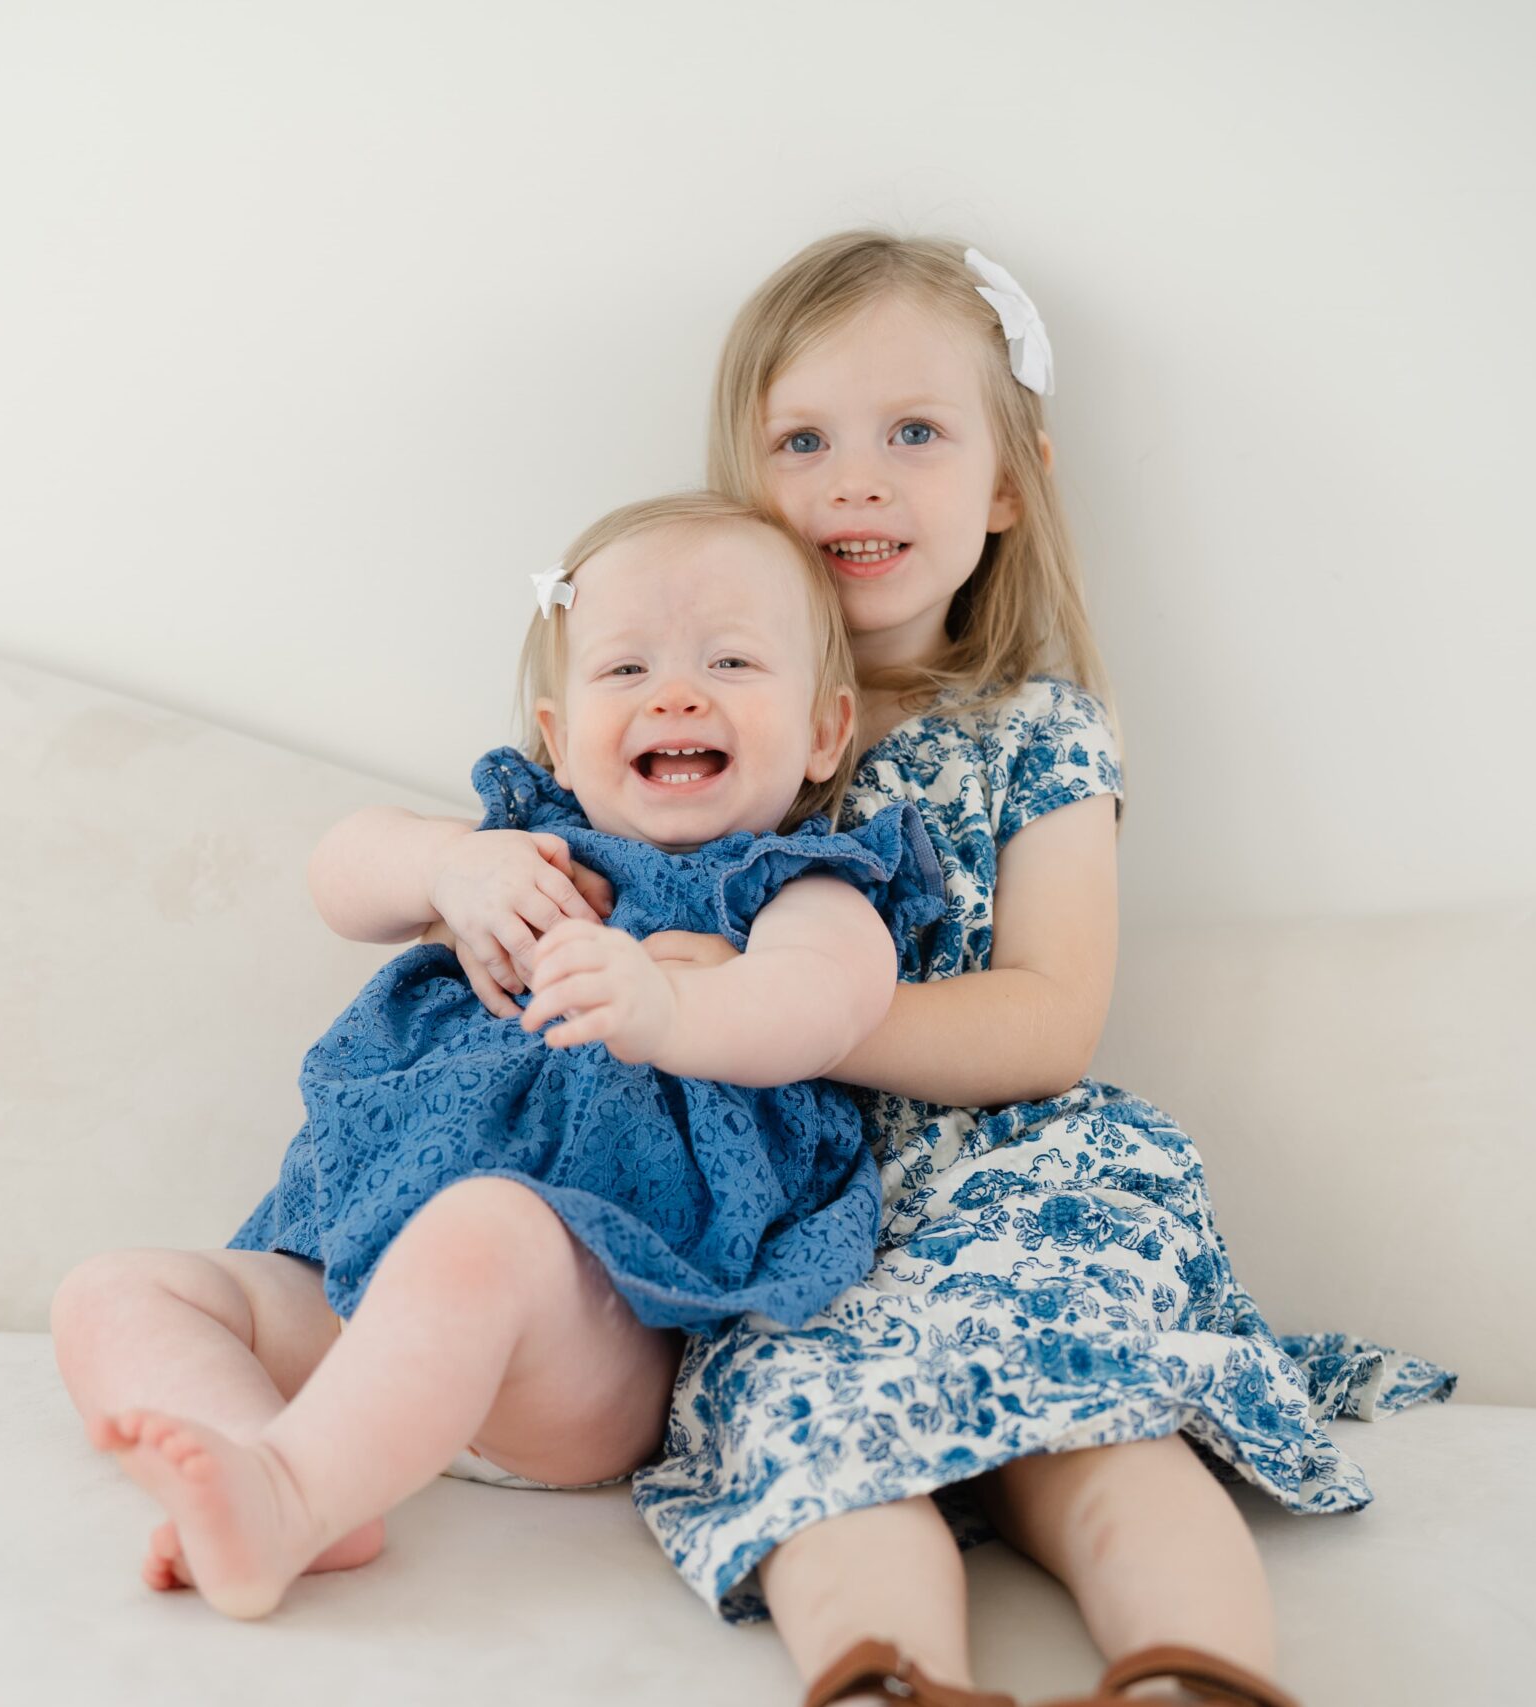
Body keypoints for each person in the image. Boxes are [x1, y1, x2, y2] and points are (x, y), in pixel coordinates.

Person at [439, 234, 1454, 1707]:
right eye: (806, 439)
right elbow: (500, 865)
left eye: (915, 432)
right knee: (808, 1439)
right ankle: (885, 1679)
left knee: (1100, 1433)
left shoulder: (1035, 732)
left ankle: (1200, 1673)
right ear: (746, 477)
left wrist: (768, 1015)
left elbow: (1049, 1016)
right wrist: (457, 872)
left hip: (1014, 1170)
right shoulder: (697, 725)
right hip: (788, 1214)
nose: (858, 478)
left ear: (1004, 481)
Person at [48, 491, 945, 1622]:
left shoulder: (799, 884)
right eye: (625, 670)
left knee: (485, 1227)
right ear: (559, 735)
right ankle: (276, 1461)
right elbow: (338, 871)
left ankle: (288, 1496)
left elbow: (825, 1003)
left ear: (823, 731)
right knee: (115, 1290)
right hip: (355, 1300)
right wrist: (442, 868)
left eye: (729, 660)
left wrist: (668, 1009)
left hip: (586, 1338)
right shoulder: (518, 847)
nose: (677, 692)